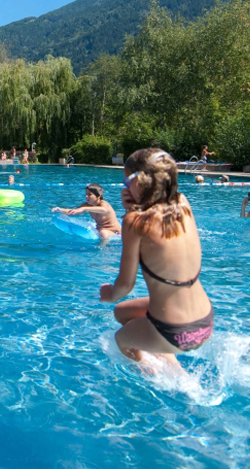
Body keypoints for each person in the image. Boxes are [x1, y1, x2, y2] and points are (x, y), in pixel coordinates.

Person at [100, 148, 213, 373]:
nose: (124, 186)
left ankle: (162, 380)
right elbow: (156, 218)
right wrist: (134, 207)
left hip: (175, 330)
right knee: (122, 313)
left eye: (125, 180)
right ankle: (171, 362)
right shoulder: (182, 202)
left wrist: (109, 294)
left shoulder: (133, 222)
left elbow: (125, 285)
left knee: (122, 339)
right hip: (205, 321)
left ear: (139, 180)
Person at [52, 183, 121, 239]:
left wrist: (85, 208)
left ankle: (103, 250)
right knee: (102, 231)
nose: (86, 196)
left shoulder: (104, 204)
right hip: (101, 229)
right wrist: (60, 209)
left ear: (98, 196)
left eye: (89, 194)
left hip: (115, 232)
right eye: (86, 194)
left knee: (104, 232)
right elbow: (73, 211)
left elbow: (103, 209)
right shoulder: (87, 205)